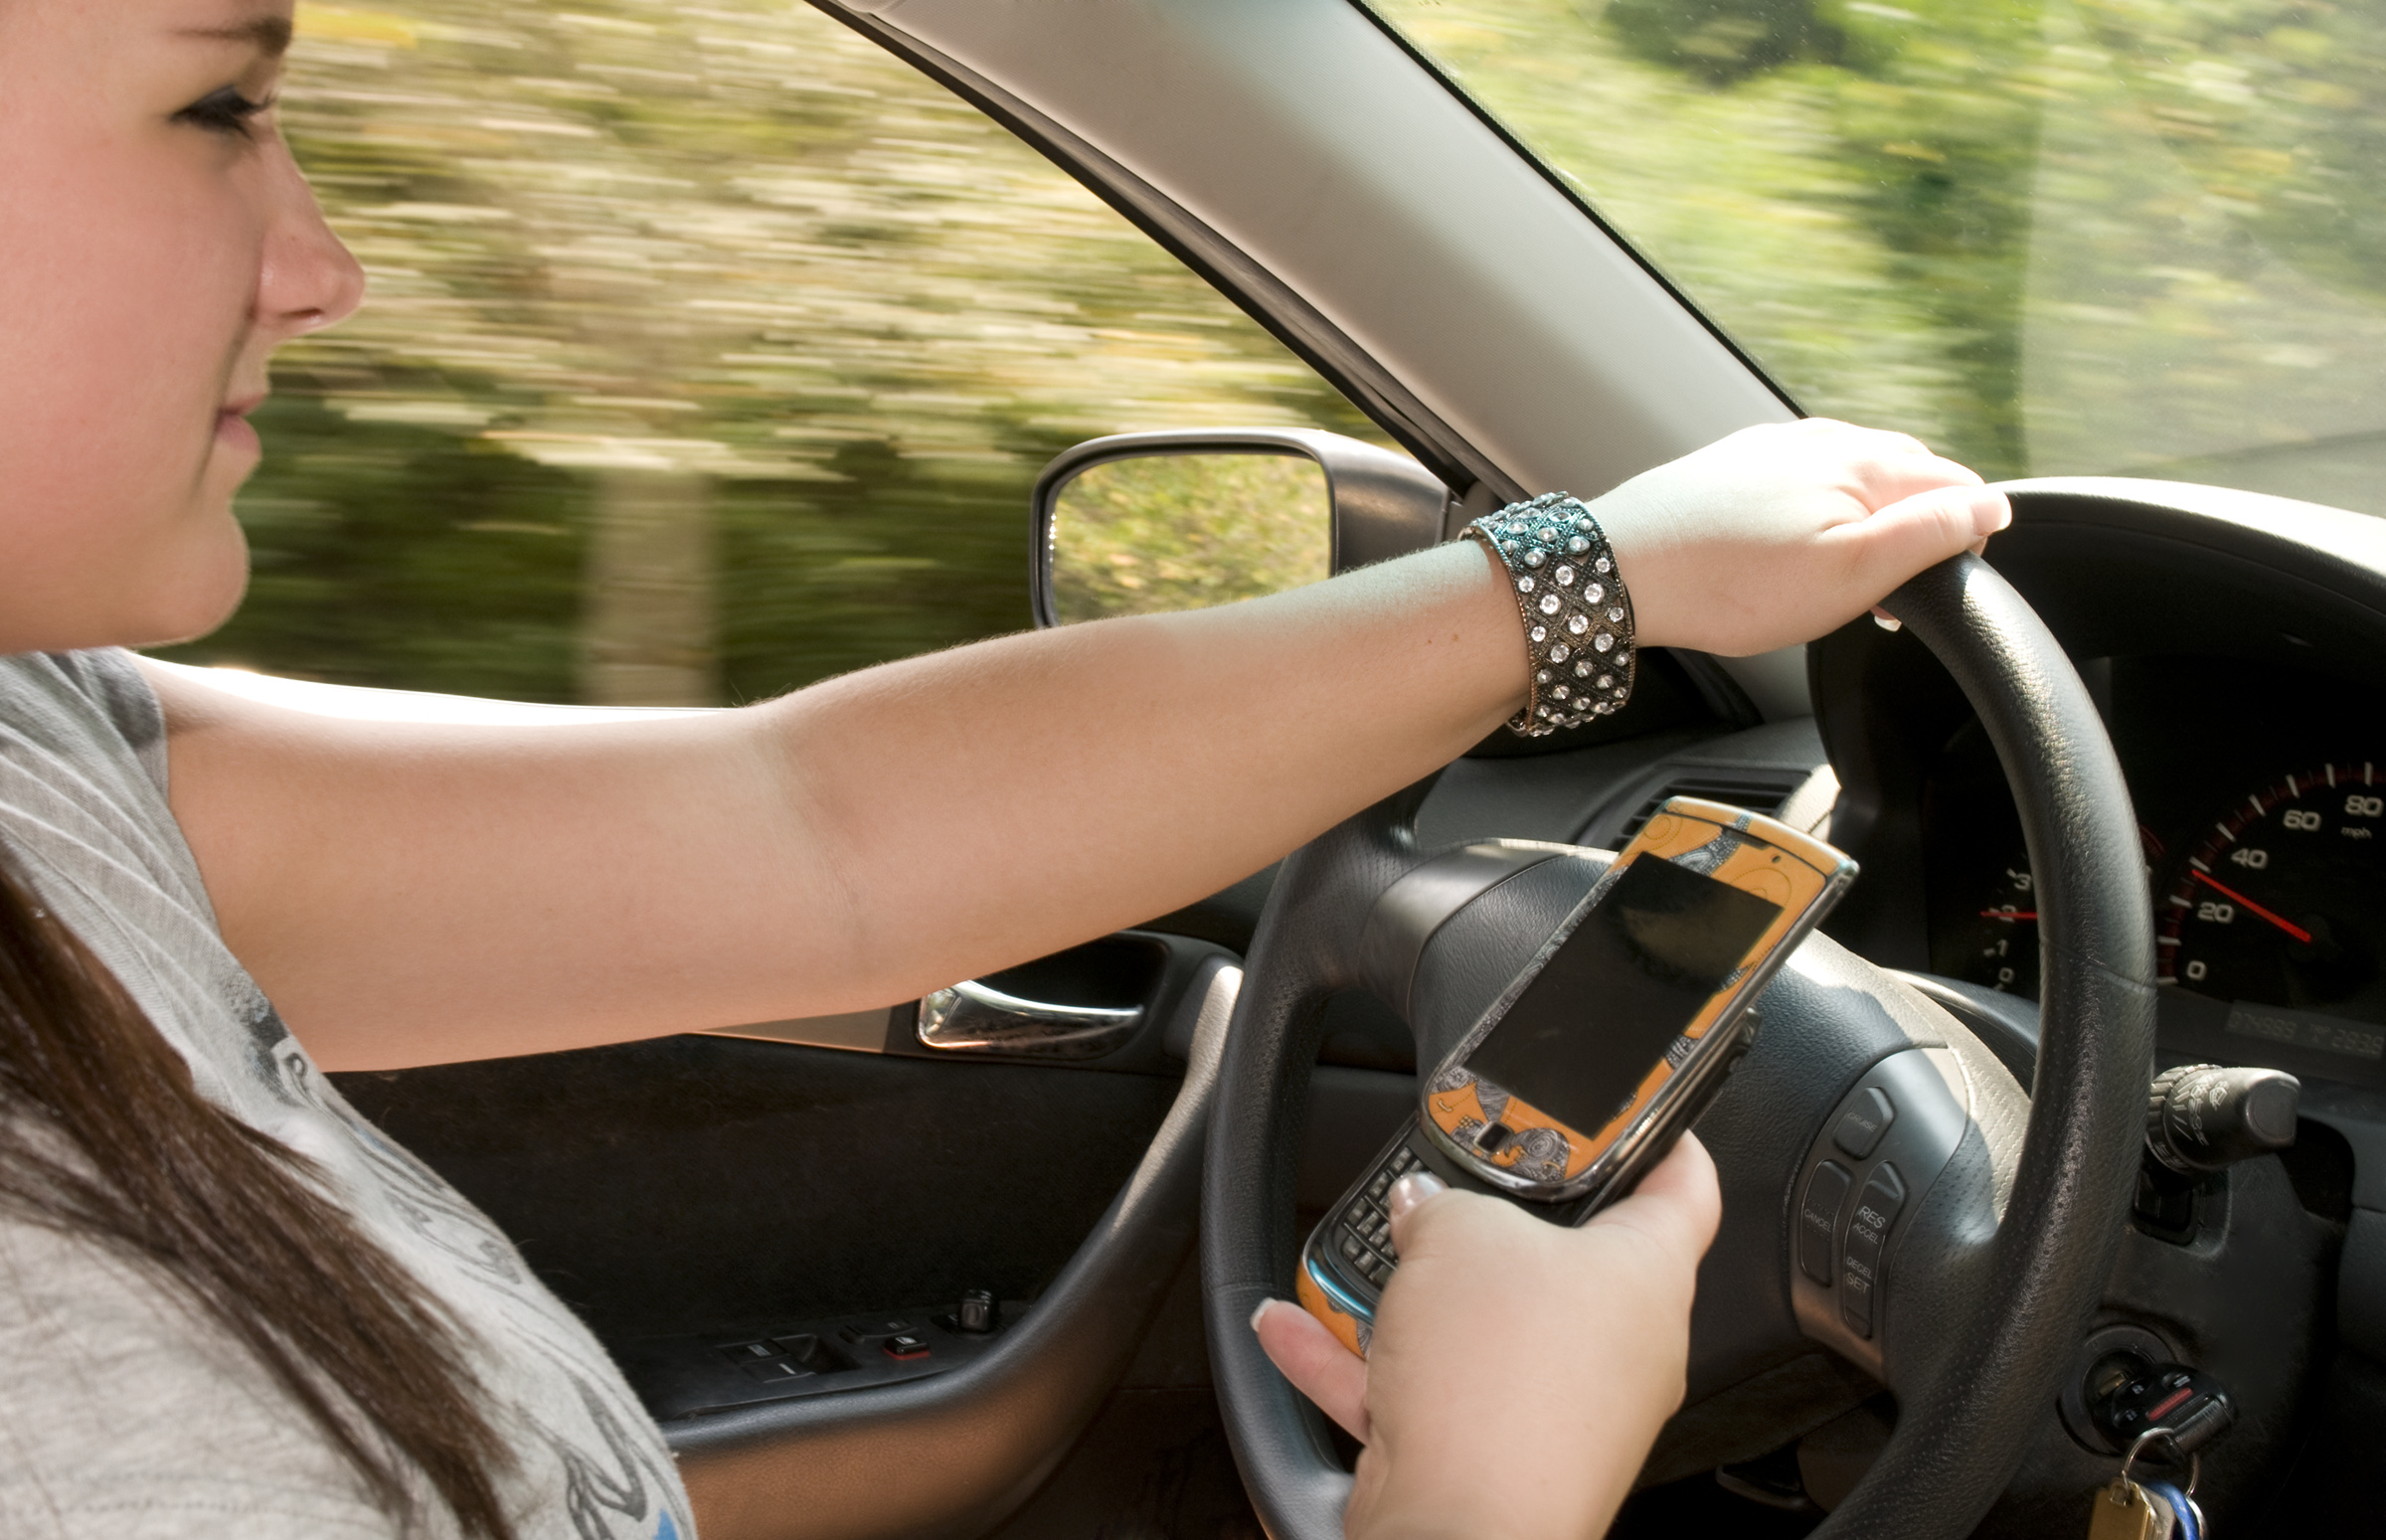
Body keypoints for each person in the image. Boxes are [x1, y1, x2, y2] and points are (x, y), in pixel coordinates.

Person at [0, 2, 2010, 1536]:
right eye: (220, 106)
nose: (324, 265)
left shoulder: (38, 749)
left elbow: (813, 828)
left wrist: (1610, 568)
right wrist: (1480, 1496)